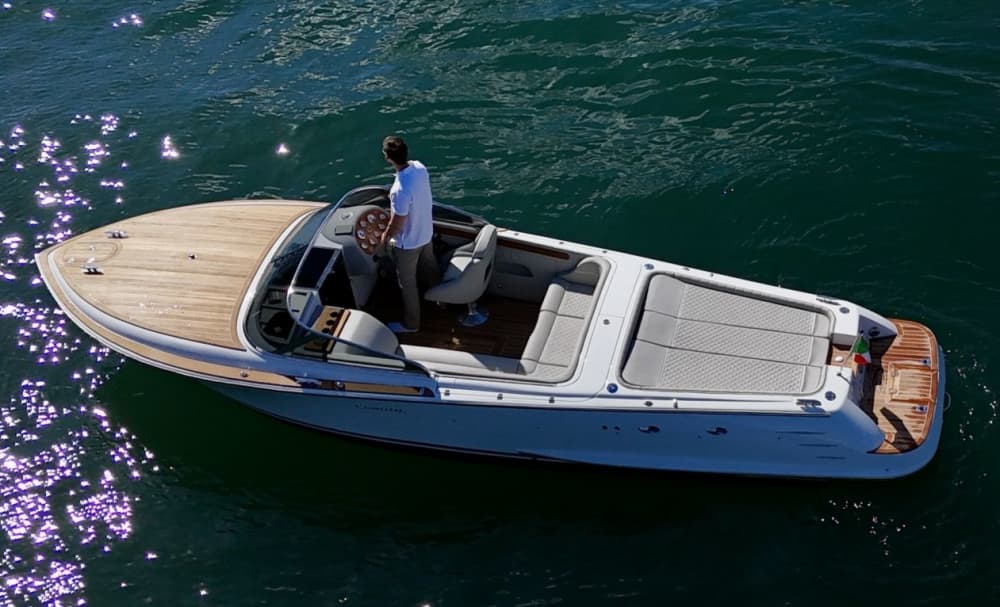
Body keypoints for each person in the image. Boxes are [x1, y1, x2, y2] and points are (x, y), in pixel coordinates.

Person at [378, 135, 440, 333]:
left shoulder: (399, 190)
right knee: (431, 269)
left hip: (409, 244)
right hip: (426, 233)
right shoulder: (420, 168)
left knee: (407, 283)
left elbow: (398, 221)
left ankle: (412, 324)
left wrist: (385, 237)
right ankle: (441, 302)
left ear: (388, 158)